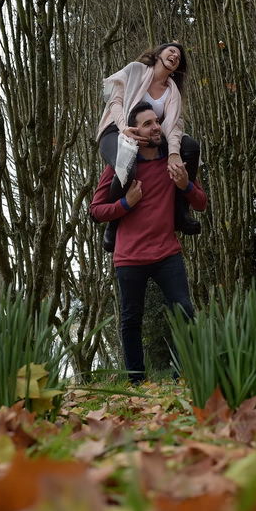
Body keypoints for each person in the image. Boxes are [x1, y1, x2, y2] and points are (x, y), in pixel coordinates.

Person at [90, 101, 208, 384]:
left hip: (167, 252)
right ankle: (136, 382)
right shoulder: (120, 166)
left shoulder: (174, 160)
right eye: (147, 123)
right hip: (129, 257)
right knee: (131, 321)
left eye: (156, 122)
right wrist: (126, 204)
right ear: (135, 132)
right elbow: (96, 211)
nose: (155, 127)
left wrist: (185, 186)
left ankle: (183, 376)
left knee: (184, 311)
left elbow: (201, 203)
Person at [95, 42, 201, 252]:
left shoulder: (172, 92)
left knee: (191, 146)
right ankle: (113, 224)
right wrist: (124, 128)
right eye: (171, 51)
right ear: (158, 53)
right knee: (127, 164)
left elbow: (174, 126)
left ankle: (181, 212)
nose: (175, 55)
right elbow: (114, 101)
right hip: (117, 130)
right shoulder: (136, 70)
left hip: (149, 135)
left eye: (179, 56)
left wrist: (173, 154)